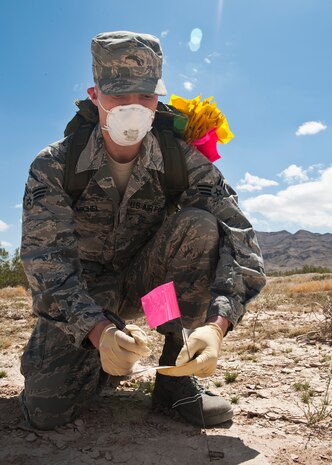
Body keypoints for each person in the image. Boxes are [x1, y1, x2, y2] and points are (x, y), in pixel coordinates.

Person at [20, 30, 266, 431]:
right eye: (118, 96)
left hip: (152, 292)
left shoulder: (180, 160)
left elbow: (238, 233)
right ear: (94, 94)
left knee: (199, 225)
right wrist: (97, 333)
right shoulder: (54, 165)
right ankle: (100, 354)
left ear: (158, 99)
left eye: (145, 97)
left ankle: (176, 372)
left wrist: (217, 326)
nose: (132, 109)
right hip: (86, 292)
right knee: (48, 410)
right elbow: (45, 262)